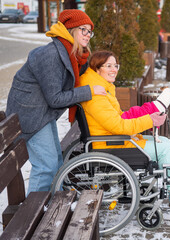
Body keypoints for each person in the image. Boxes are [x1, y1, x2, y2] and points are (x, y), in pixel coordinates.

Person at [79, 50, 170, 207]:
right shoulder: (97, 97)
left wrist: (149, 111)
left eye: (115, 65)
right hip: (110, 145)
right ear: (97, 69)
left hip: (114, 140)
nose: (114, 69)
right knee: (163, 147)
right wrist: (149, 120)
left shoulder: (102, 88)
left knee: (164, 141)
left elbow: (120, 118)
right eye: (108, 66)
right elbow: (118, 126)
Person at [5, 9, 107, 194]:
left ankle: (51, 205)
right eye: (82, 29)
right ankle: (34, 214)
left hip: (42, 113)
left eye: (89, 31)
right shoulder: (52, 55)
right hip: (31, 116)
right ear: (71, 30)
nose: (87, 35)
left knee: (56, 163)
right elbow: (56, 98)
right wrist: (89, 91)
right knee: (46, 167)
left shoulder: (71, 53)